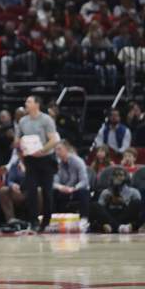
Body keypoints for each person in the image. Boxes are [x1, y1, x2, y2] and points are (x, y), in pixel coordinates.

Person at [15, 95, 59, 232]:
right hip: (30, 159)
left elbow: (54, 140)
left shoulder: (46, 119)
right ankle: (33, 221)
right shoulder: (22, 121)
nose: (26, 104)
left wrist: (42, 150)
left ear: (37, 104)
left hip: (45, 158)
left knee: (47, 192)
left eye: (29, 101)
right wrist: (21, 147)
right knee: (31, 190)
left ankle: (46, 221)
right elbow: (18, 140)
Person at [52, 141, 90, 231]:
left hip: (77, 189)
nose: (57, 152)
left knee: (83, 192)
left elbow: (84, 181)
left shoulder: (78, 161)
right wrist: (61, 187)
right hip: (64, 189)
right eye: (56, 150)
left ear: (66, 149)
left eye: (59, 149)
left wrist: (74, 188)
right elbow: (53, 182)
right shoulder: (56, 163)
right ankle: (53, 219)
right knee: (51, 191)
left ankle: (84, 220)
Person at [90, 167, 142, 233]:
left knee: (137, 202)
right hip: (109, 216)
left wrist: (124, 202)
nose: (118, 177)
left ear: (125, 177)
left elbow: (139, 209)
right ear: (112, 177)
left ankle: (112, 227)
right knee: (94, 205)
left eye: (121, 175)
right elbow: (100, 209)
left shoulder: (133, 191)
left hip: (125, 215)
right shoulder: (105, 192)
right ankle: (119, 227)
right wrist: (107, 202)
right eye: (115, 175)